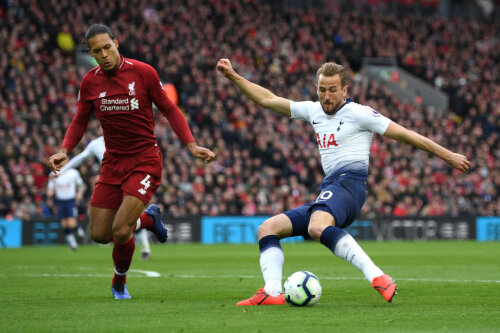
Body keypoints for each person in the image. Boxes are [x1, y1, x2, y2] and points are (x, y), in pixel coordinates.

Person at [216, 58, 470, 305]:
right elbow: (267, 99)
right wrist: (233, 76)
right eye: (322, 90)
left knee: (317, 227)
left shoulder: (360, 113)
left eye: (332, 91)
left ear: (344, 90)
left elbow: (406, 135)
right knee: (267, 229)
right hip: (330, 189)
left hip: (351, 185)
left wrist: (448, 155)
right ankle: (272, 292)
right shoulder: (313, 110)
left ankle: (378, 276)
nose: (326, 96)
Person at [49, 24, 216, 300]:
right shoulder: (89, 81)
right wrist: (65, 149)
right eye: (96, 51)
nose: (103, 55)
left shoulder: (143, 72)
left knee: (120, 229)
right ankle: (149, 220)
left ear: (116, 42)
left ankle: (119, 282)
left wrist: (191, 144)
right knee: (99, 234)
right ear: (90, 53)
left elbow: (169, 108)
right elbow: (80, 119)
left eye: (107, 47)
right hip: (112, 163)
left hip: (144, 160)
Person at [58, 133, 153, 260]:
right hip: (112, 187)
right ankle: (146, 224)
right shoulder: (95, 144)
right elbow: (80, 158)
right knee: (112, 225)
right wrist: (61, 171)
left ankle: (145, 249)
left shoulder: (126, 138)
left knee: (130, 216)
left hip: (131, 182)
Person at [47, 168, 85, 250]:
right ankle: (73, 243)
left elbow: (81, 184)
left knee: (71, 223)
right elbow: (50, 191)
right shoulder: (53, 174)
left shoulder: (73, 172)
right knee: (64, 224)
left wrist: (80, 193)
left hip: (70, 201)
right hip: (60, 202)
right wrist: (51, 186)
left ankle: (78, 228)